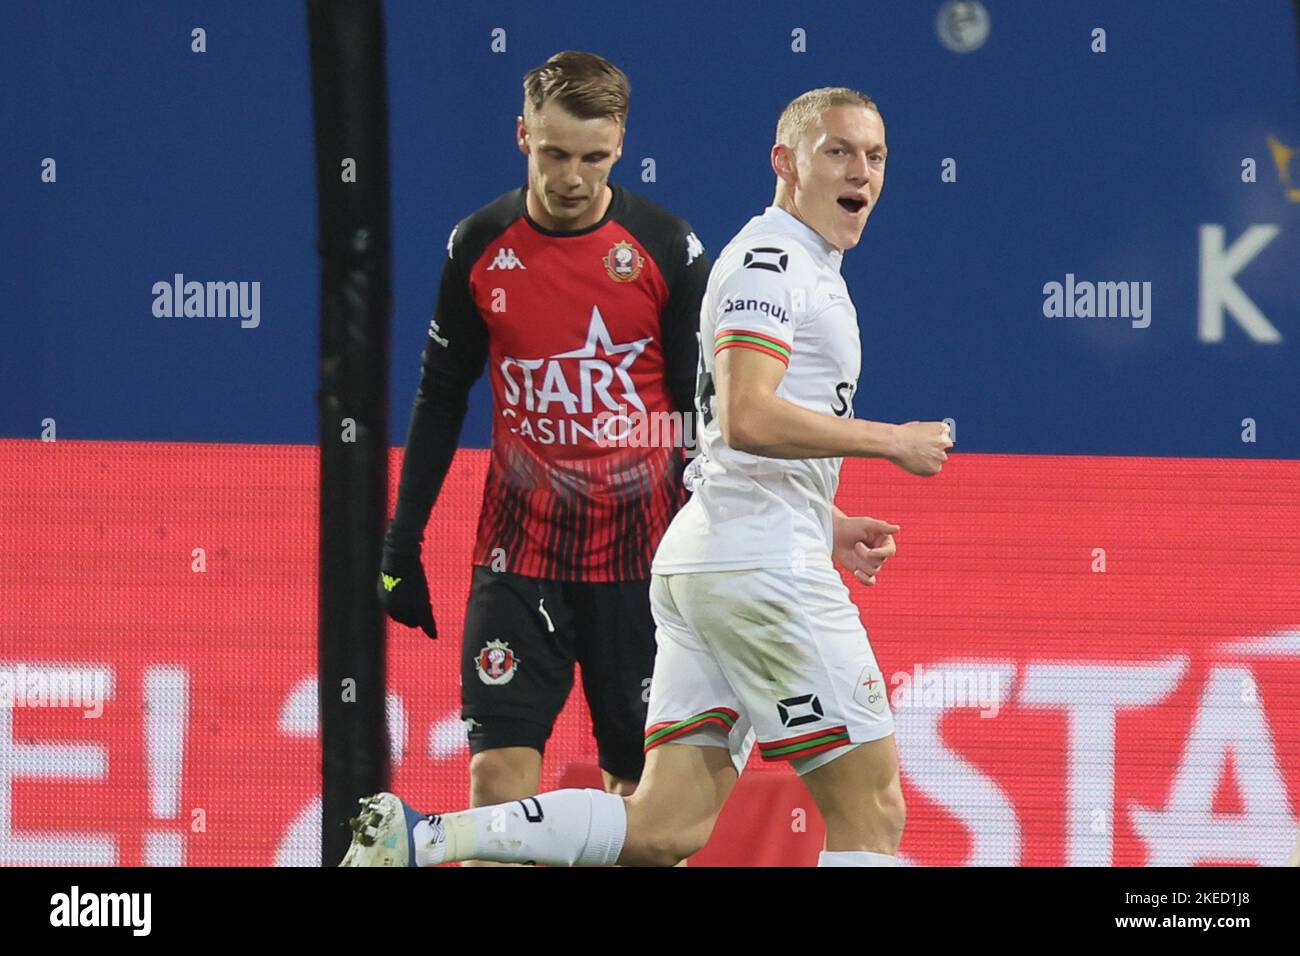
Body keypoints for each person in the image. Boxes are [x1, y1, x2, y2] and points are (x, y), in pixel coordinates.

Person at [343, 86, 949, 868]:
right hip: (761, 570)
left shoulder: (802, 267)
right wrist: (889, 442)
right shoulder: (770, 264)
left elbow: (718, 441)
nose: (859, 170)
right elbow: (745, 417)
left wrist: (827, 524)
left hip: (716, 556)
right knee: (871, 812)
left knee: (665, 825)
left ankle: (427, 837)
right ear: (785, 162)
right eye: (836, 150)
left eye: (875, 156)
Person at [374, 51, 714, 863]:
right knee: (494, 784)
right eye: (553, 154)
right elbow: (441, 395)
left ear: (621, 144)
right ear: (522, 135)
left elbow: (706, 419)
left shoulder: (667, 247)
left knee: (644, 809)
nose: (572, 177)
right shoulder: (479, 246)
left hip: (641, 564)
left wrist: (710, 550)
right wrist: (401, 541)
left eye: (593, 158)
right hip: (519, 555)